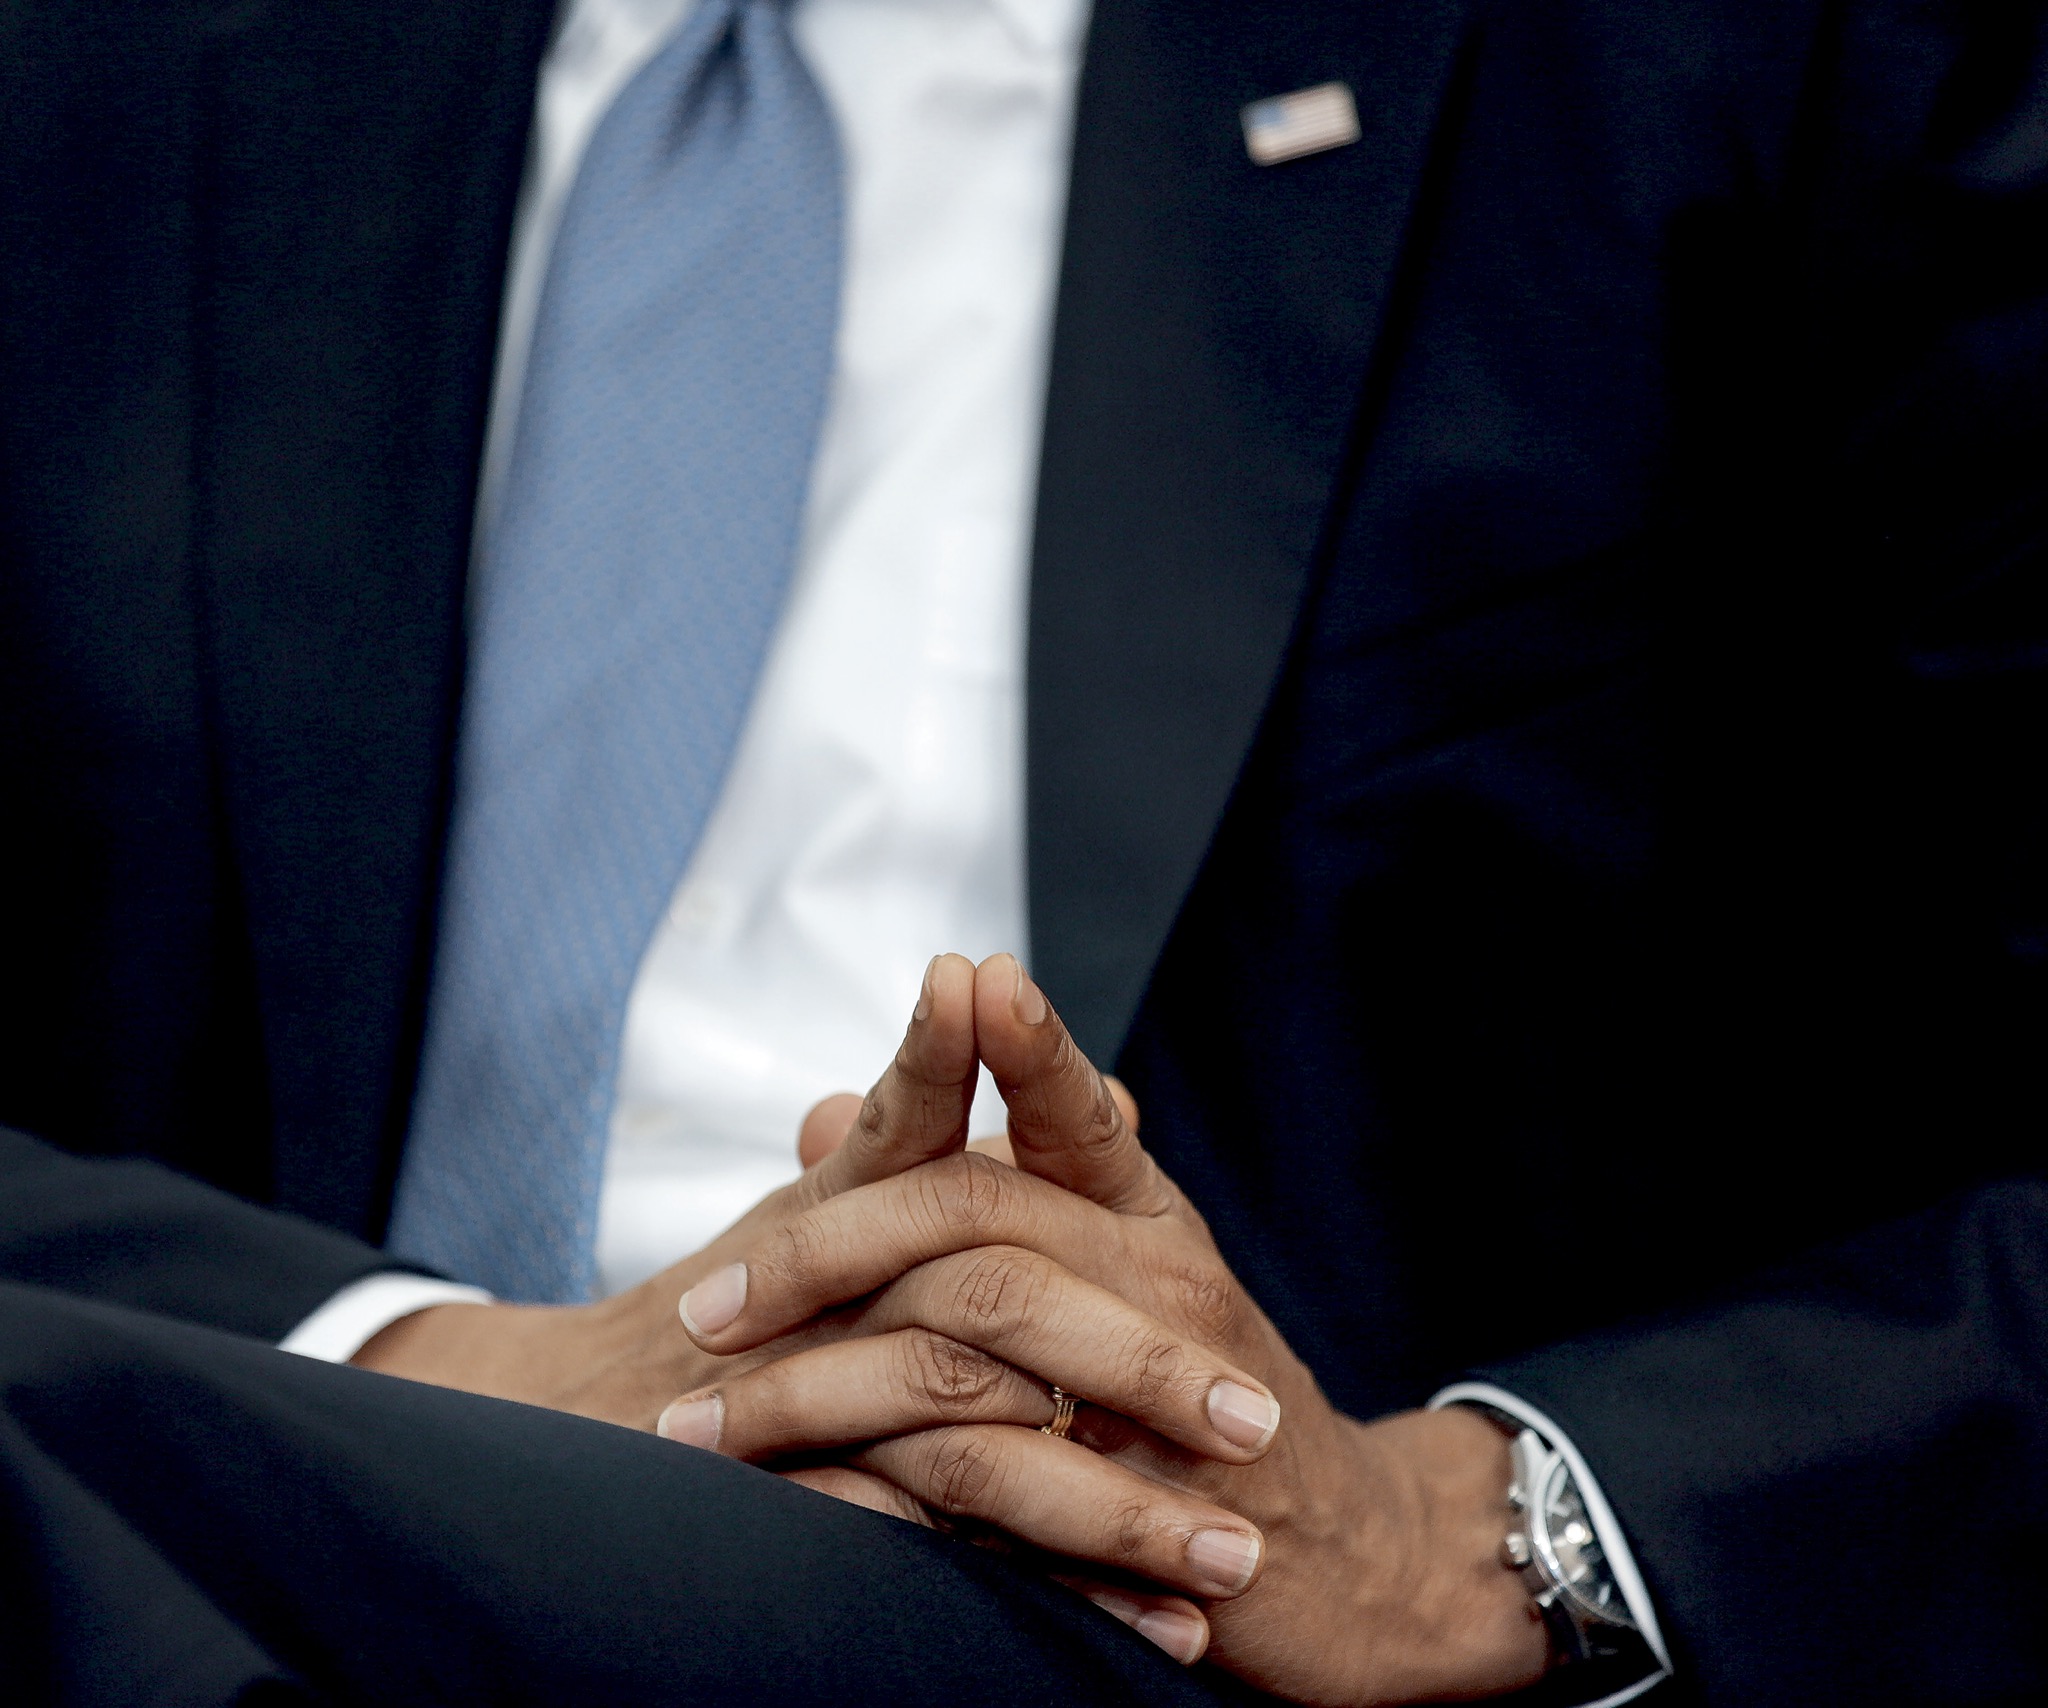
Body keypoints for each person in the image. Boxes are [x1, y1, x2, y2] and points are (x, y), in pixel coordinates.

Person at [0, 0, 2043, 1702]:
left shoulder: (1726, 56)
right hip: (221, 1551)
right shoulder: (130, 68)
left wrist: (1475, 1530)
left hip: (1121, 1613)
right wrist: (446, 1361)